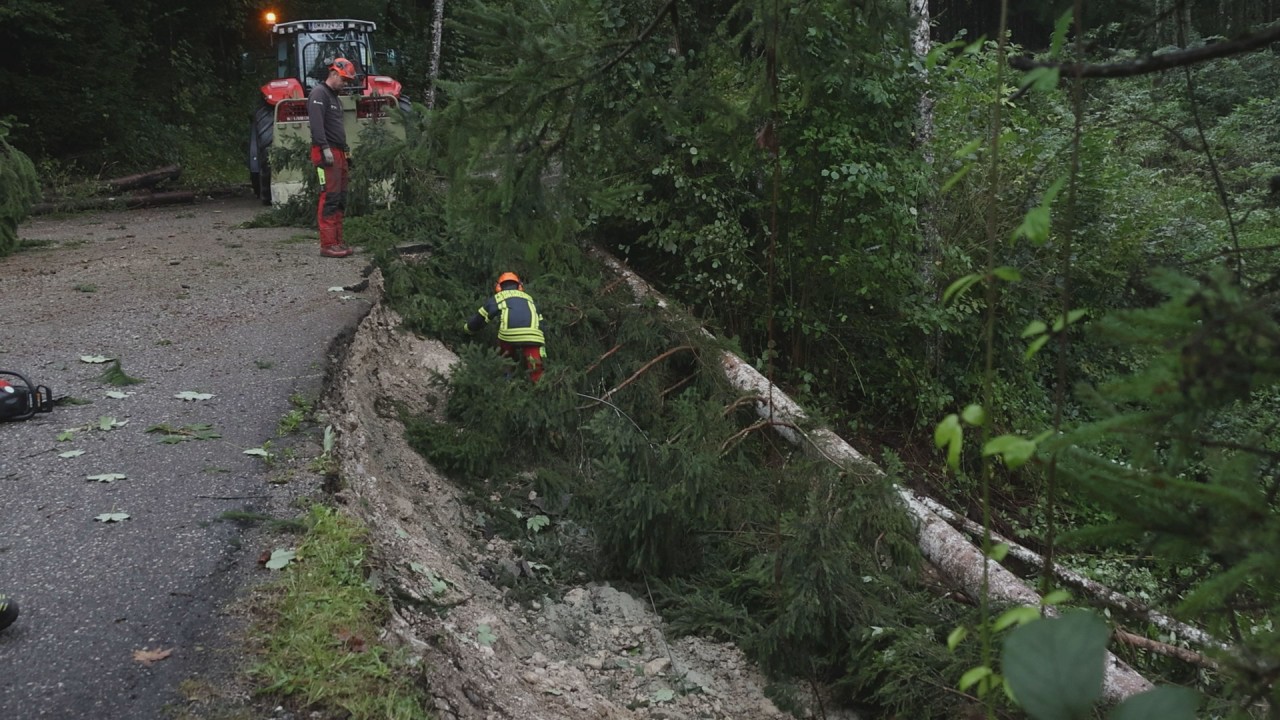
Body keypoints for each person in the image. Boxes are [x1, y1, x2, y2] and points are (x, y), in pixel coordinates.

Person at [308, 57, 358, 258]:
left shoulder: (334, 97)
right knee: (329, 197)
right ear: (334, 73)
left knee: (339, 198)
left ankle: (337, 241)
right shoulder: (319, 94)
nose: (345, 85)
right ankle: (327, 244)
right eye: (344, 80)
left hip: (338, 152)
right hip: (326, 152)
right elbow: (317, 125)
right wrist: (325, 149)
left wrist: (345, 152)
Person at [464, 272, 546, 382]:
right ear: (520, 286)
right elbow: (542, 323)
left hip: (509, 335)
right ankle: (538, 383)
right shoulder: (529, 299)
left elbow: (480, 319)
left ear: (498, 286)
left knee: (505, 351)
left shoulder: (498, 298)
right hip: (533, 336)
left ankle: (506, 375)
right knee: (535, 365)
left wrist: (467, 330)